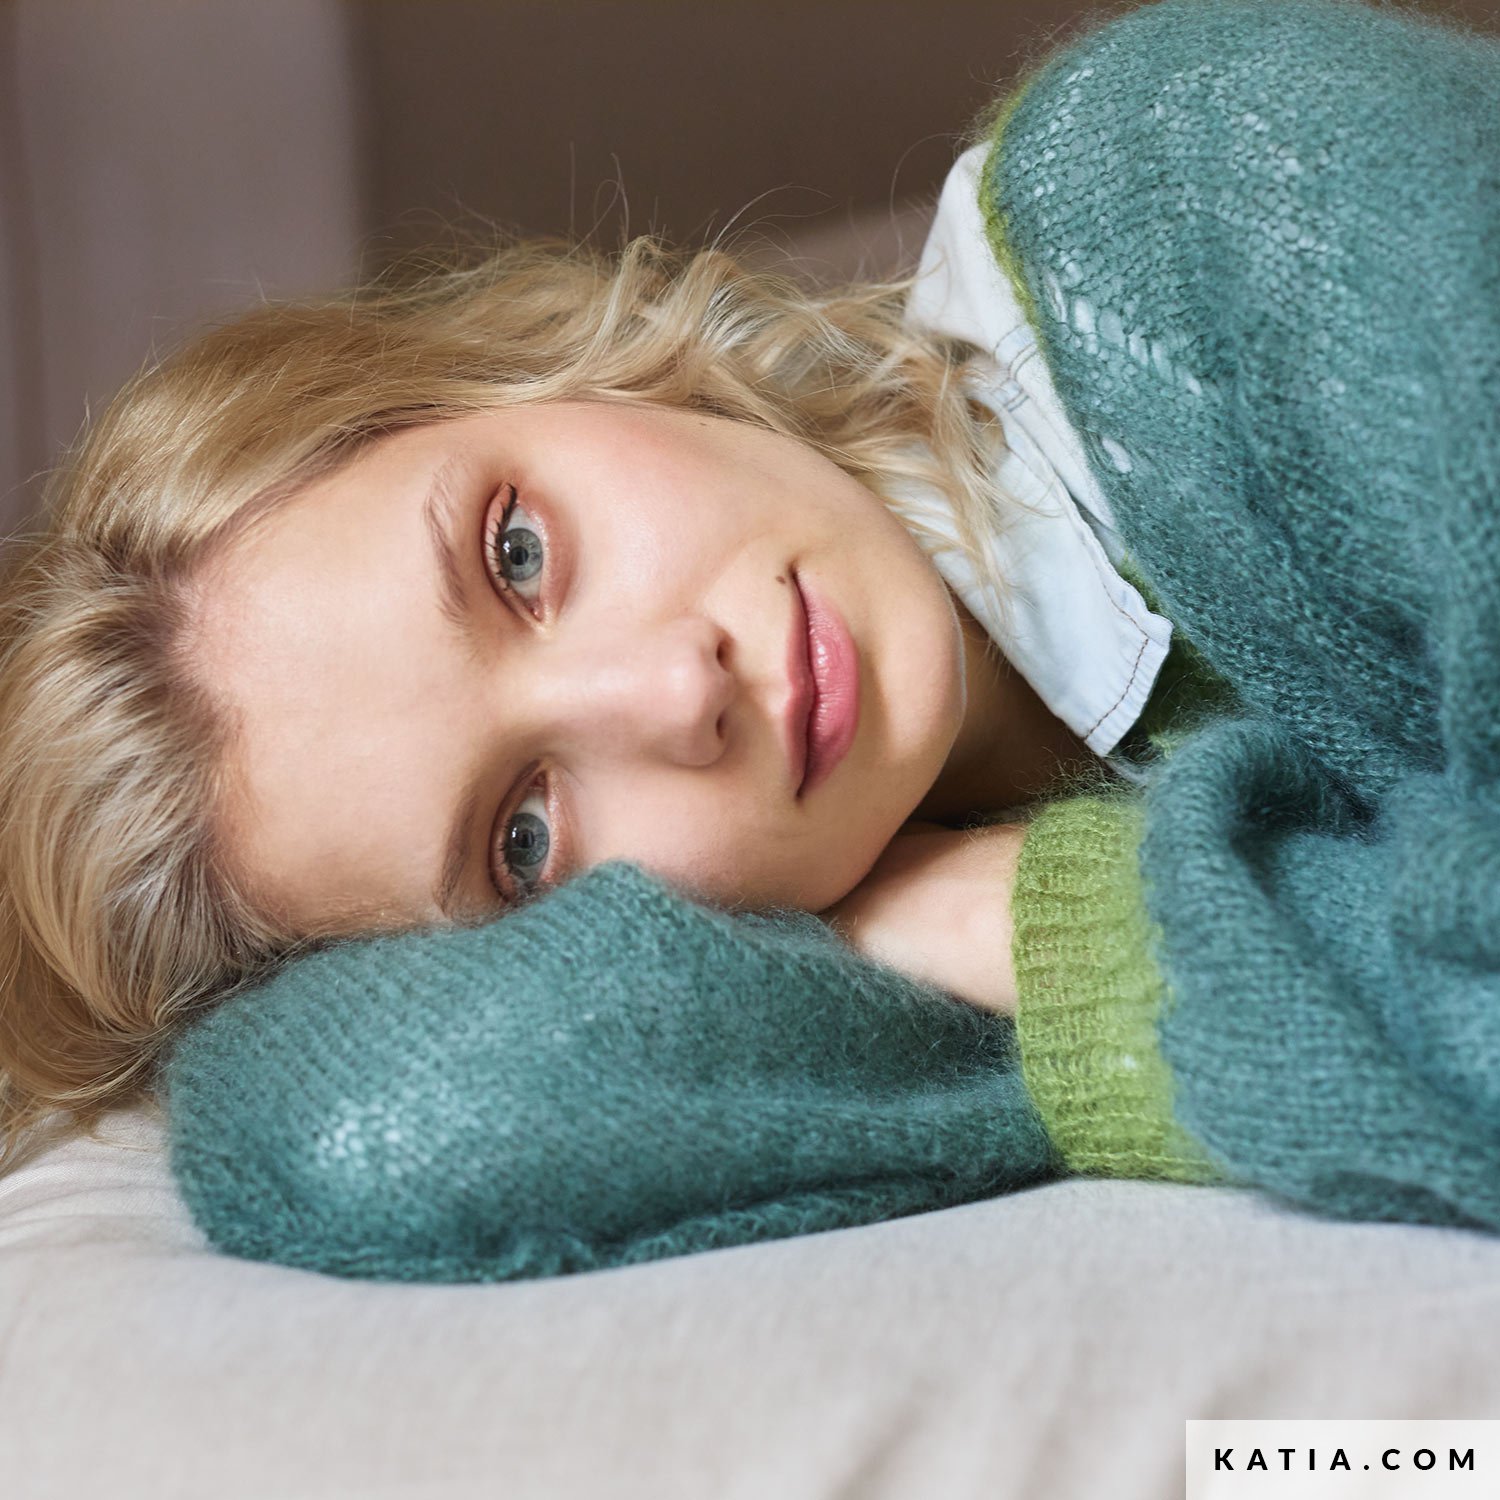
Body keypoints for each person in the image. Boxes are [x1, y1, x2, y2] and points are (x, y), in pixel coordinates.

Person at [7, 0, 1500, 1261]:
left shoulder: (1204, 196)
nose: (676, 691)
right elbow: (354, 1141)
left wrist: (1024, 932)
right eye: (523, 839)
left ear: (532, 371)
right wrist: (962, 931)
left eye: (518, 553)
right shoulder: (862, 886)